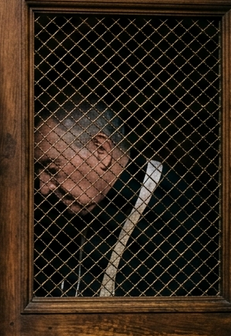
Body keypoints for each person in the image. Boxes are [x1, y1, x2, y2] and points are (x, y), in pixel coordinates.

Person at [33, 99, 216, 297]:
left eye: (52, 168)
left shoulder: (178, 210)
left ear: (101, 151)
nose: (44, 188)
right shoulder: (84, 209)